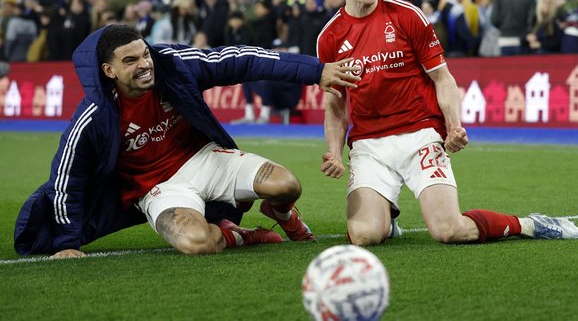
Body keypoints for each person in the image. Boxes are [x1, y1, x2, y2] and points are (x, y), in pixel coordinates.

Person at [317, 0, 578, 247]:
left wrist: (453, 125)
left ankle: (528, 224)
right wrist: (334, 152)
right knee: (364, 236)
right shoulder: (330, 37)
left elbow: (443, 78)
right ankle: (385, 216)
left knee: (449, 230)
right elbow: (335, 104)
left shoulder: (407, 16)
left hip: (420, 134)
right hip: (369, 145)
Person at [14, 24, 360, 258]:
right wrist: (67, 243)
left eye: (144, 54)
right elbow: (65, 181)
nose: (145, 65)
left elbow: (243, 60)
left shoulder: (174, 66)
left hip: (205, 158)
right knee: (198, 243)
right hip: (157, 190)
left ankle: (281, 212)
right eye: (130, 61)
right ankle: (243, 234)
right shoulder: (93, 117)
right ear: (109, 71)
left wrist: (314, 71)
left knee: (287, 184)